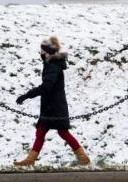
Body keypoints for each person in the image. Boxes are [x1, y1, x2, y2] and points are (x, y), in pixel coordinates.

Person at [13, 36, 90, 166]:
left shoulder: (53, 66)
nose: (40, 54)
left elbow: (46, 87)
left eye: (42, 52)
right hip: (50, 106)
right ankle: (30, 160)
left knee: (63, 132)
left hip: (55, 107)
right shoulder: (51, 64)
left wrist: (27, 95)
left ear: (47, 52)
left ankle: (84, 159)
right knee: (41, 131)